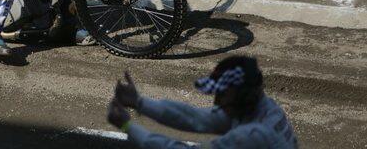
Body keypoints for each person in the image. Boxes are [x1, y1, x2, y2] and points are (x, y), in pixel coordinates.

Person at [108, 56, 298, 148]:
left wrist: (127, 126)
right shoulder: (265, 108)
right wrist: (139, 102)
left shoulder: (252, 135)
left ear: (243, 96)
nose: (217, 102)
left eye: (222, 94)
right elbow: (194, 117)